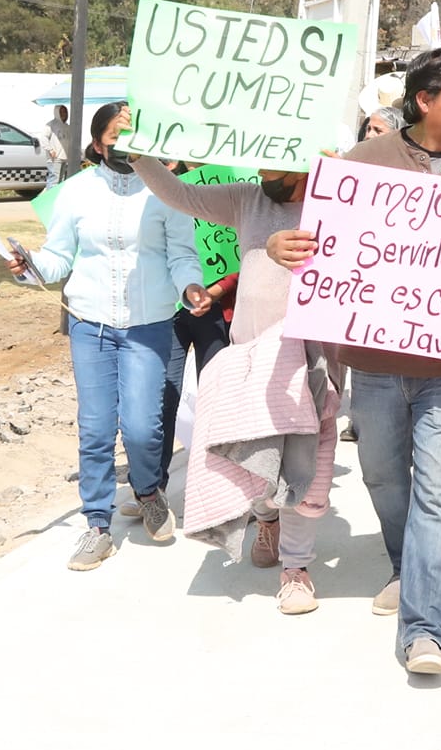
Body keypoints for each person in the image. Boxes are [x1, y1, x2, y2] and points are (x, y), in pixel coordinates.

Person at [265, 48, 441, 679]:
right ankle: (404, 562)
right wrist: (277, 245)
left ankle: (425, 630)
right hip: (373, 363)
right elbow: (309, 239)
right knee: (386, 482)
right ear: (424, 101)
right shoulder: (362, 166)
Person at [122, 118, 332, 615]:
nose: (262, 169)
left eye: (275, 158)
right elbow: (177, 194)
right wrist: (139, 154)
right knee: (254, 463)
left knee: (306, 471)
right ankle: (266, 520)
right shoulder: (244, 199)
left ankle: (296, 570)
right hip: (250, 361)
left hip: (316, 362)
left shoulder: (337, 204)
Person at [8, 102, 206, 571]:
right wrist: (29, 265)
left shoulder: (167, 192)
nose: (127, 146)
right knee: (95, 429)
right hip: (89, 325)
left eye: (135, 138)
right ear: (98, 145)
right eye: (117, 138)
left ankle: (147, 489)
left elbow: (181, 254)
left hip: (149, 324)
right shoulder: (74, 193)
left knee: (142, 427)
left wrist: (190, 285)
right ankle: (97, 523)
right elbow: (58, 257)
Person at [43, 104, 69, 184]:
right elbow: (43, 137)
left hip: (65, 158)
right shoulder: (50, 125)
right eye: (61, 112)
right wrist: (50, 150)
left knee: (61, 180)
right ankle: (50, 196)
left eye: (65, 112)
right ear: (56, 113)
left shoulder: (67, 126)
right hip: (55, 158)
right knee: (54, 180)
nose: (64, 114)